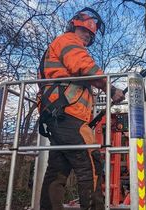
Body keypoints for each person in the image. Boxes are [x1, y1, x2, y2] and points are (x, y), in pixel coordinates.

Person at [37, 8, 125, 210]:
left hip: (59, 116)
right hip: (68, 115)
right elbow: (84, 67)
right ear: (74, 27)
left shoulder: (63, 44)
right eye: (85, 31)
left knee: (57, 170)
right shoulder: (68, 41)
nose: (88, 36)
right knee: (91, 164)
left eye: (91, 34)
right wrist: (110, 89)